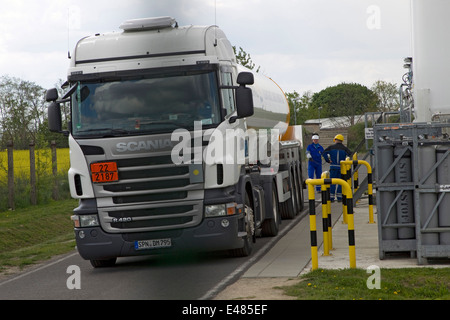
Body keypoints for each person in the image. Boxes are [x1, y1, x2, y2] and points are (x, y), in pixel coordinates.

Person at [322, 134, 352, 202]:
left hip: (333, 167)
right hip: (342, 168)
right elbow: (351, 154)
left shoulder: (331, 147)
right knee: (340, 183)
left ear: (335, 140)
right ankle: (339, 197)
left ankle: (331, 198)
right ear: (342, 141)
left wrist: (328, 160)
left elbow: (324, 153)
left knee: (332, 182)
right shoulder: (345, 148)